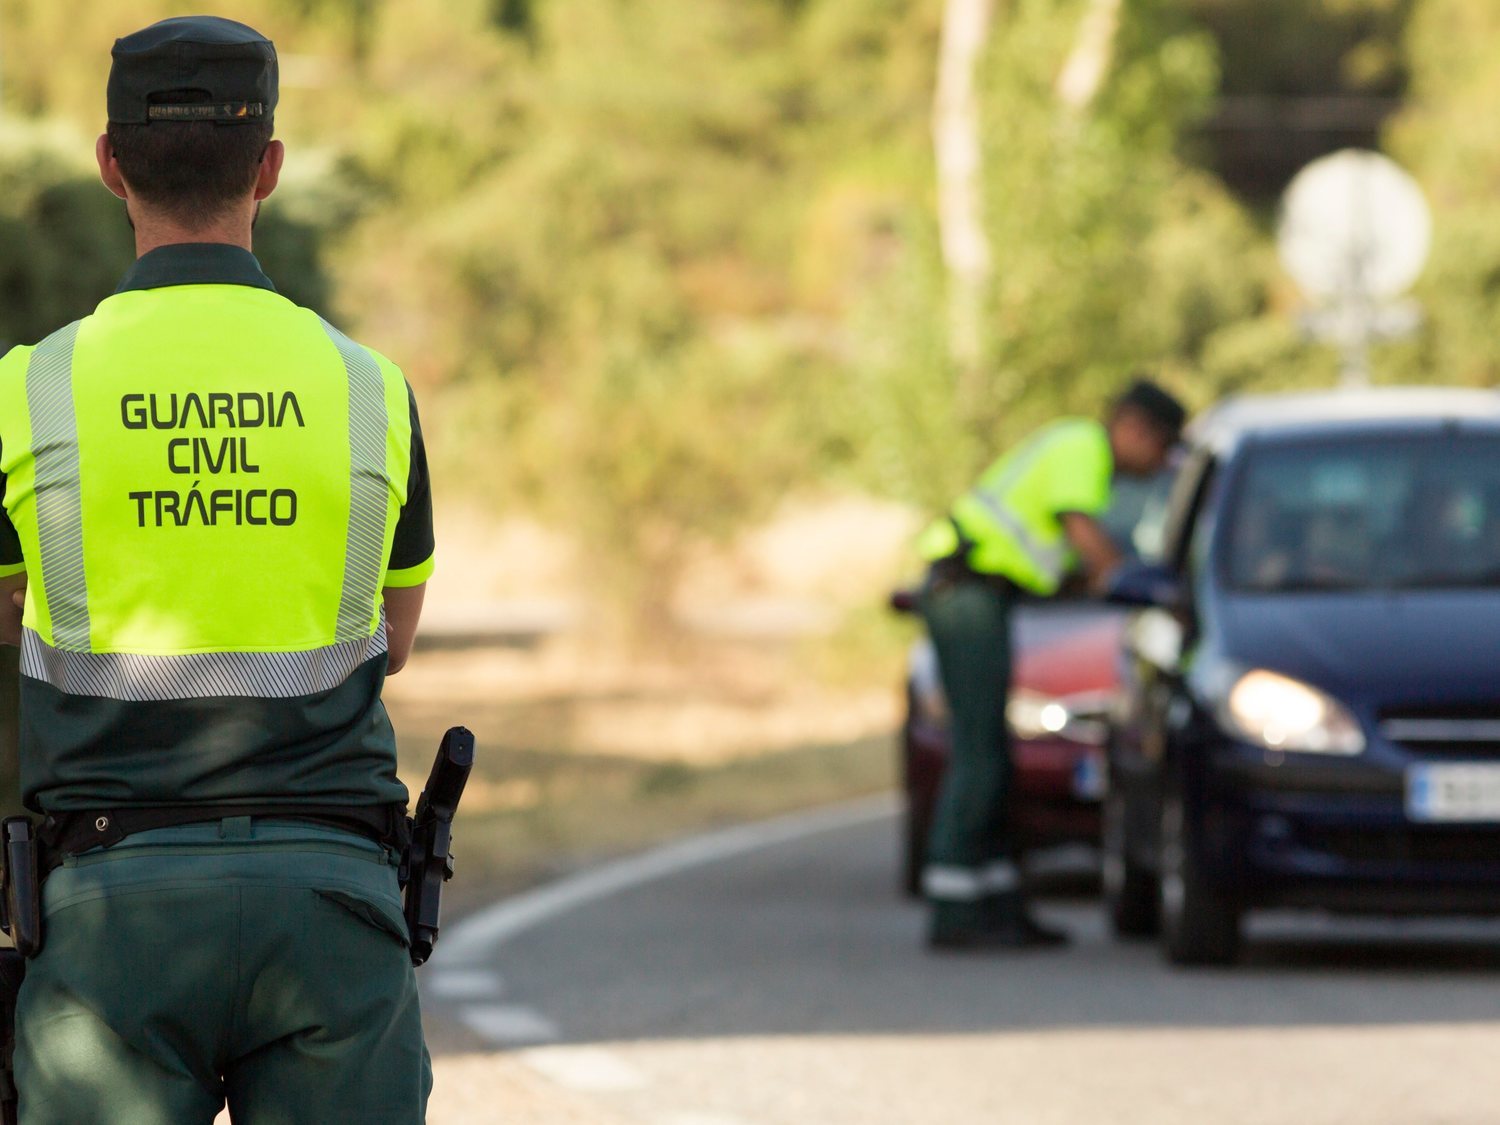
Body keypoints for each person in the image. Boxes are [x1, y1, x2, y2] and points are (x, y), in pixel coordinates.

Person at [0, 16, 435, 1122]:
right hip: (331, 905)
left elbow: (10, 612)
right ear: (271, 169)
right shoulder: (370, 389)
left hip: (110, 920)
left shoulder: (27, 389)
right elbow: (392, 631)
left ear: (108, 164)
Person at [914, 379, 1184, 951]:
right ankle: (954, 906)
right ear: (1133, 428)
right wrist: (1133, 580)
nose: (1158, 464)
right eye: (1160, 449)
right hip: (966, 595)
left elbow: (1061, 563)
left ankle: (997, 900)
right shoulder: (1082, 448)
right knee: (980, 752)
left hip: (983, 597)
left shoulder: (1079, 450)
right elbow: (1083, 535)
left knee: (993, 754)